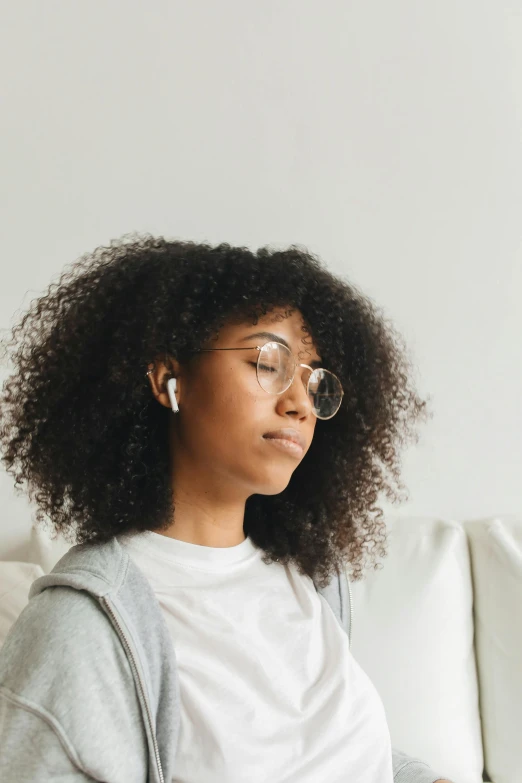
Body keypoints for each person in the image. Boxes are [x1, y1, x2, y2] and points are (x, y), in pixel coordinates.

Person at [0, 234, 453, 782]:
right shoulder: (83, 628)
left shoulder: (312, 578)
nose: (299, 403)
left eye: (314, 382)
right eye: (267, 362)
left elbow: (340, 760)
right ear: (169, 378)